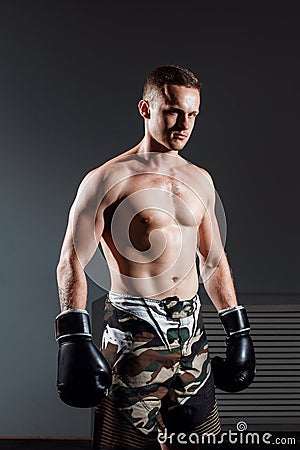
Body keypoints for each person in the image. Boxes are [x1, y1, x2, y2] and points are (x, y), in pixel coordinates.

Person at [55, 65, 255, 449]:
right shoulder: (107, 180)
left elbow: (213, 260)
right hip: (134, 339)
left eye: (193, 114)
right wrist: (74, 337)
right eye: (173, 111)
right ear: (146, 109)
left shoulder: (200, 179)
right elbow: (72, 261)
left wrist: (238, 327)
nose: (184, 123)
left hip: (192, 341)